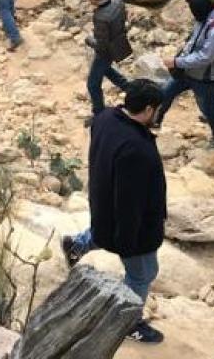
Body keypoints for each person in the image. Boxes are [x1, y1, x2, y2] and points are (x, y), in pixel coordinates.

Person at [61, 80, 168, 344]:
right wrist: (129, 244)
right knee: (142, 274)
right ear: (147, 109)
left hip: (102, 201)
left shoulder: (106, 117)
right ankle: (128, 321)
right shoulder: (137, 149)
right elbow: (129, 203)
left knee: (103, 230)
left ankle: (76, 245)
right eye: (157, 109)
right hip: (135, 228)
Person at [157, 0, 214, 148]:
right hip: (187, 71)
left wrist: (177, 62)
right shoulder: (202, 18)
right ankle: (155, 122)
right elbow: (193, 41)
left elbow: (206, 56)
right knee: (165, 93)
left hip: (205, 76)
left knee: (208, 109)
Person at [80, 0, 132, 120]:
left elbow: (101, 46)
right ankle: (129, 88)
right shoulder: (116, 0)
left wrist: (89, 40)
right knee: (106, 69)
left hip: (106, 51)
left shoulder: (101, 17)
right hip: (119, 41)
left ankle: (99, 113)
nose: (88, 1)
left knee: (92, 84)